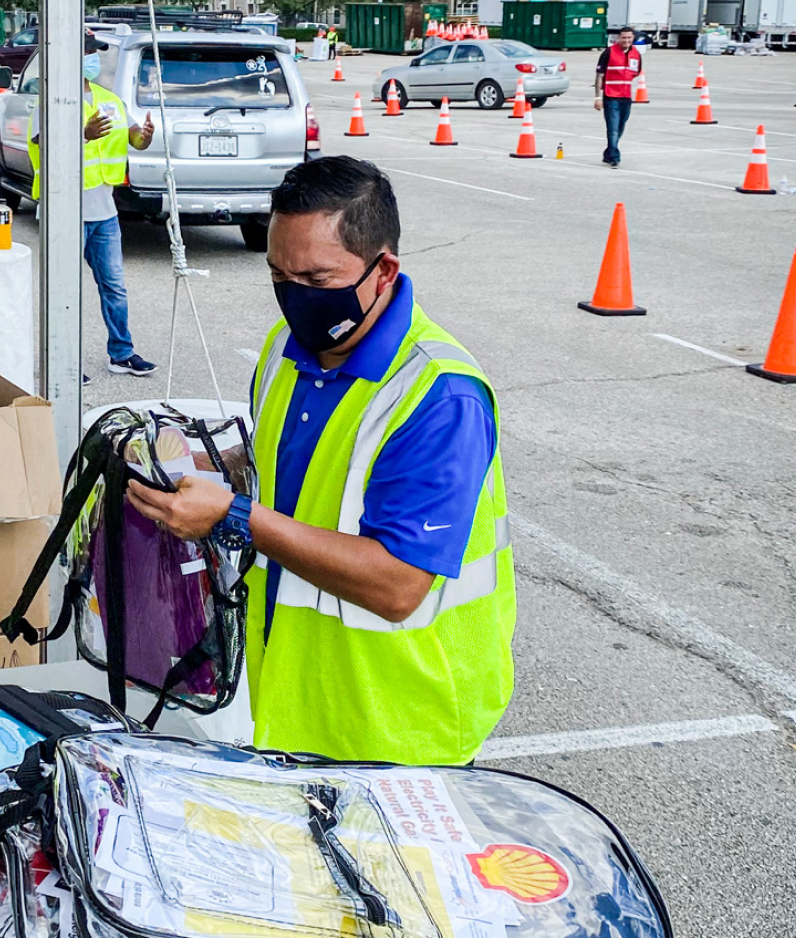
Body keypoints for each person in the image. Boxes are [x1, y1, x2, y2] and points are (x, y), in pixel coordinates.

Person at [127, 156, 514, 766]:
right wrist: (207, 464)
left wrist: (232, 515)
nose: (294, 297)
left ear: (383, 271)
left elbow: (397, 586)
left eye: (316, 278)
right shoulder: (288, 347)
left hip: (398, 727)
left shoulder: (438, 395)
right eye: (278, 275)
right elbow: (288, 465)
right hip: (299, 705)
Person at [31, 37, 158, 377]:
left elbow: (133, 138)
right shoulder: (52, 100)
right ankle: (62, 359)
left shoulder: (109, 100)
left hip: (104, 214)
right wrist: (81, 133)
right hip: (66, 214)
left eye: (94, 53)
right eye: (87, 52)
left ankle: (122, 353)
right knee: (64, 290)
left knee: (114, 286)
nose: (93, 59)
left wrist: (144, 137)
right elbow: (43, 144)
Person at [594, 26, 642, 168]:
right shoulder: (609, 53)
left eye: (629, 38)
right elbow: (599, 76)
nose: (626, 40)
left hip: (626, 97)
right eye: (623, 37)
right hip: (611, 96)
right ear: (618, 38)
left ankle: (609, 153)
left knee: (620, 127)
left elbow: (636, 72)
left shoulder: (636, 54)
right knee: (613, 128)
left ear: (633, 38)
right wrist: (597, 97)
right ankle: (615, 157)